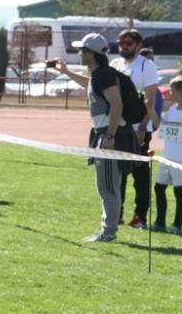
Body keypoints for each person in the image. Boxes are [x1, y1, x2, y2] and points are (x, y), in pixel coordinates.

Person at [58, 33, 136, 242]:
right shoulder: (100, 75)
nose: (80, 54)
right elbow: (90, 84)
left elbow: (116, 104)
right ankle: (107, 230)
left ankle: (108, 232)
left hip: (110, 136)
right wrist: (66, 72)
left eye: (82, 50)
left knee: (109, 187)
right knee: (106, 186)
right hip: (106, 134)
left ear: (90, 53)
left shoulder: (104, 75)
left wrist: (110, 136)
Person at [113, 29, 160, 229]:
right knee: (118, 172)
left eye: (128, 43)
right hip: (119, 126)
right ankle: (117, 213)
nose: (124, 46)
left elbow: (150, 99)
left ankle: (140, 216)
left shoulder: (146, 66)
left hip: (139, 127)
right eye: (121, 42)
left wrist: (143, 126)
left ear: (138, 45)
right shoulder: (115, 64)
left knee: (139, 174)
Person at [153, 75, 182, 234]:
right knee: (159, 188)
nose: (169, 92)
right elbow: (161, 125)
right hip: (167, 156)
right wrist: (150, 110)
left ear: (181, 92)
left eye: (172, 90)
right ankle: (160, 222)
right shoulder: (173, 108)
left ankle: (177, 225)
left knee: (179, 191)